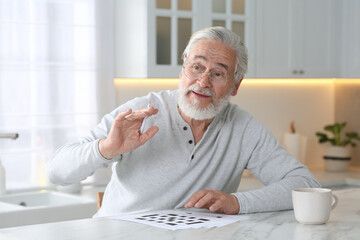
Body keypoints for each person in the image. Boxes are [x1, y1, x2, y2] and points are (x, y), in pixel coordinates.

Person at [47, 26, 320, 217]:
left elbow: (306, 185)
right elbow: (57, 172)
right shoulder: (141, 111)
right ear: (182, 71)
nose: (202, 82)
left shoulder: (243, 127)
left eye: (218, 73)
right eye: (197, 67)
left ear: (235, 86)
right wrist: (106, 148)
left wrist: (236, 202)